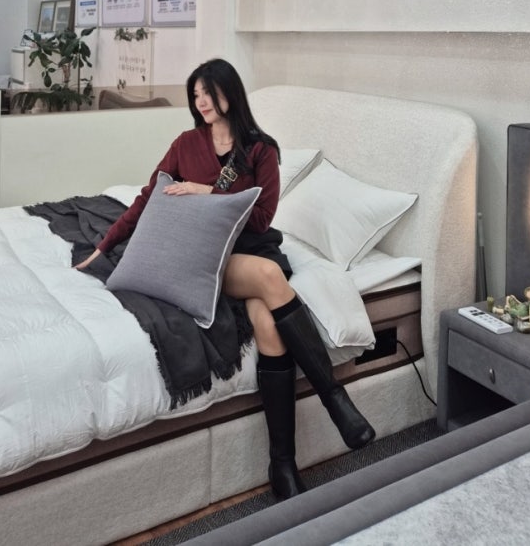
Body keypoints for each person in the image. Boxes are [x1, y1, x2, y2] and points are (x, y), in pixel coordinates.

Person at [76, 57, 375, 498]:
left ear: (229, 92)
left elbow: (262, 219)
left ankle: (283, 465)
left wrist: (208, 192)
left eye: (208, 93)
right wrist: (106, 245)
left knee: (268, 323)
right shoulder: (186, 144)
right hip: (206, 252)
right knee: (269, 278)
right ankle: (334, 398)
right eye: (195, 94)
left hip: (250, 247)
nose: (200, 102)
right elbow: (148, 197)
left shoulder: (260, 150)